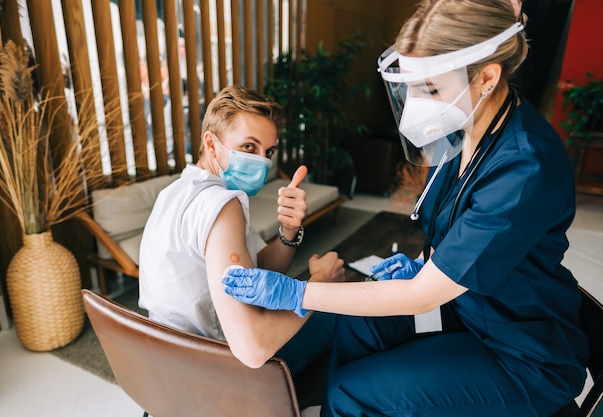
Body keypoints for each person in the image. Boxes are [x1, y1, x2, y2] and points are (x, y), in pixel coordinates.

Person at [222, 1, 589, 415]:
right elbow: (453, 234)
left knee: (351, 391)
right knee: (357, 324)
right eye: (411, 85)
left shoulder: (525, 167)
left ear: (486, 77)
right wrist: (425, 262)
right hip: (473, 312)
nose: (416, 103)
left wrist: (297, 290)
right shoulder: (465, 129)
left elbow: (421, 296)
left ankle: (343, 406)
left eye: (430, 89)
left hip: (523, 356)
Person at [138, 85, 345, 375]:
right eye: (249, 147)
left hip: (166, 367)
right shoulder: (223, 204)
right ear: (211, 143)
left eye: (268, 151)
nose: (261, 161)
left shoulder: (175, 192)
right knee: (339, 313)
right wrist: (320, 283)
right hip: (219, 373)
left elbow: (261, 267)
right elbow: (253, 348)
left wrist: (288, 229)